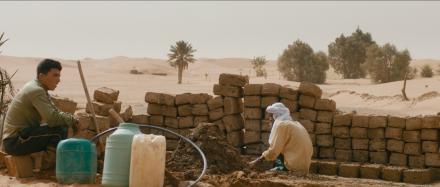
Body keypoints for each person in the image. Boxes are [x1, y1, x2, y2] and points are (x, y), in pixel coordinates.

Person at [2, 59, 78, 156]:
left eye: (59, 76)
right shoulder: (36, 90)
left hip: (19, 137)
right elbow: (52, 119)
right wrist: (72, 120)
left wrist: (70, 118)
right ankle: (51, 166)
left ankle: (48, 163)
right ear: (41, 76)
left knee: (60, 126)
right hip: (14, 142)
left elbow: (55, 112)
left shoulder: (39, 88)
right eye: (55, 75)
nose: (59, 80)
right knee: (59, 131)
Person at [249, 102, 313, 175]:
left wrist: (257, 161)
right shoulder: (295, 123)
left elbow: (274, 150)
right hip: (304, 165)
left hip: (294, 164)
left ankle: (281, 167)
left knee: (278, 145)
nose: (269, 121)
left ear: (276, 116)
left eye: (271, 118)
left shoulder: (282, 125)